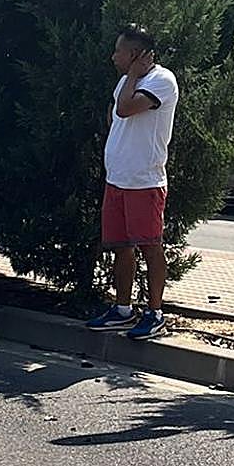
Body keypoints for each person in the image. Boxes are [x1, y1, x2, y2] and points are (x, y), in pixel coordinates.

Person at [86, 24, 179, 340]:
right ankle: (122, 309)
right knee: (121, 247)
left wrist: (133, 76)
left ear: (136, 55)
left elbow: (125, 110)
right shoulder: (127, 80)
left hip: (145, 181)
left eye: (119, 51)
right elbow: (114, 119)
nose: (114, 57)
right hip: (118, 180)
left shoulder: (161, 81)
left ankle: (154, 314)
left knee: (150, 247)